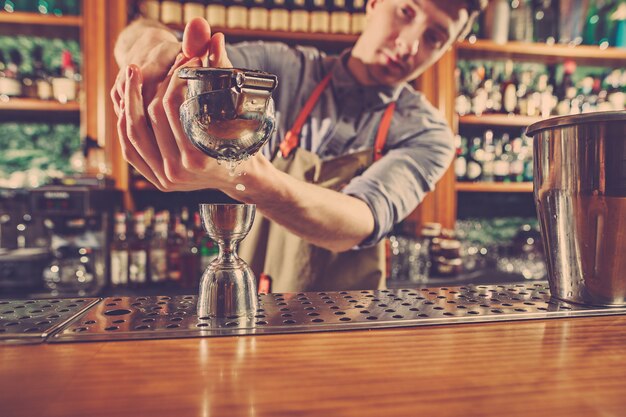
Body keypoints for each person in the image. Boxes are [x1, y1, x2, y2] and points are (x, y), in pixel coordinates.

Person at [111, 0, 487, 292]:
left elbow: (361, 220)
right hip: (252, 308)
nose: (410, 43)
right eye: (406, 11)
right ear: (374, 3)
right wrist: (156, 51)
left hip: (352, 327)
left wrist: (245, 174)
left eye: (435, 37)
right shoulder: (282, 70)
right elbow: (141, 34)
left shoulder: (429, 134)